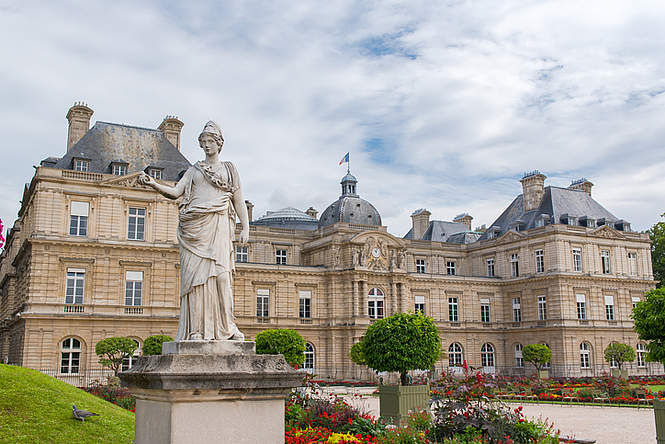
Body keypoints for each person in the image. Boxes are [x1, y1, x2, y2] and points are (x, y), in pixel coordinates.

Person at [139, 121, 249, 341]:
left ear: (219, 144)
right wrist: (153, 184)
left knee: (222, 278)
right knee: (196, 282)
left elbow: (238, 200)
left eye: (211, 141)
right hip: (194, 229)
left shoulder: (229, 169)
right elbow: (175, 192)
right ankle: (197, 330)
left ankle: (228, 327)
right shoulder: (194, 170)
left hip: (219, 224)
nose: (207, 146)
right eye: (204, 142)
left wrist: (245, 226)